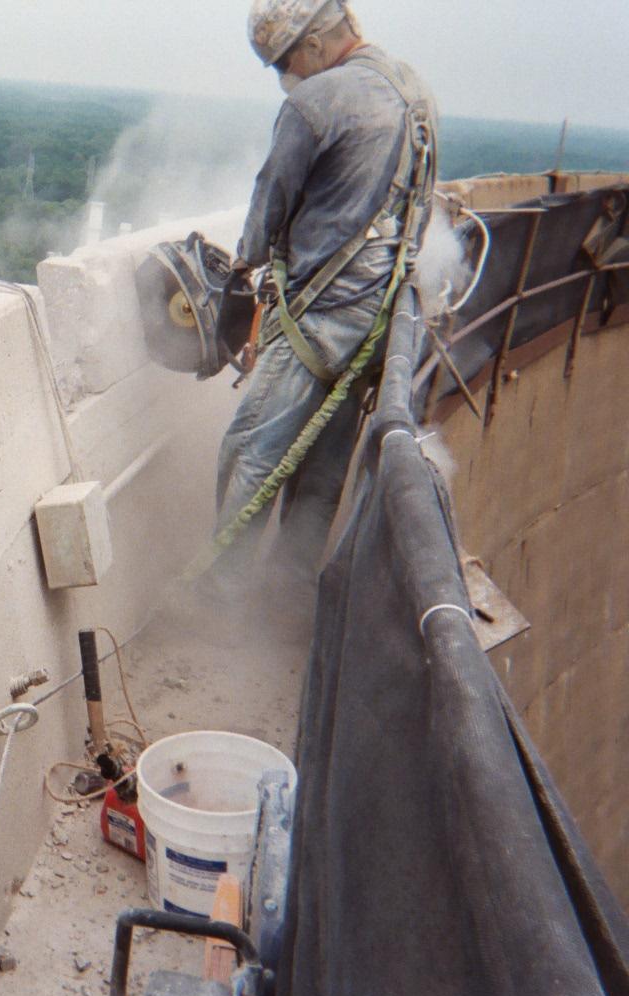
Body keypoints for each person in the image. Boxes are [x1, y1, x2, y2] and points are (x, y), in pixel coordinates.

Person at [212, 0, 438, 588]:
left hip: (318, 319)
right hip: (378, 318)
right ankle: (286, 596)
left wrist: (247, 258)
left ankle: (220, 595)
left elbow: (271, 200)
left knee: (249, 454)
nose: (288, 76)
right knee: (319, 475)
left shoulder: (315, 102)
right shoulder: (414, 91)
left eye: (286, 62)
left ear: (313, 44)